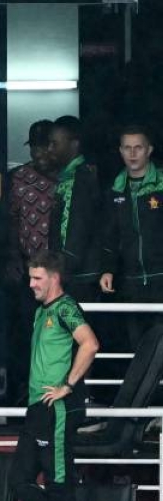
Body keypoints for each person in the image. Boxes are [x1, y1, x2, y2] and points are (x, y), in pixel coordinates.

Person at [13, 249, 99, 501]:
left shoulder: (66, 308)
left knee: (57, 479)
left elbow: (90, 343)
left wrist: (68, 384)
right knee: (18, 479)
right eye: (30, 277)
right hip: (36, 406)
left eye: (37, 278)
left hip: (57, 407)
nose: (31, 284)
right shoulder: (42, 311)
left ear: (54, 278)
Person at [3, 121, 58, 405]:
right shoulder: (19, 177)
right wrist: (12, 257)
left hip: (59, 270)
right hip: (28, 267)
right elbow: (11, 221)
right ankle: (24, 391)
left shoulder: (67, 177)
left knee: (58, 330)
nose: (39, 153)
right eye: (34, 147)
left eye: (44, 146)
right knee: (26, 331)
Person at [100, 125, 163, 347]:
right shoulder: (115, 189)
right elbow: (109, 235)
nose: (133, 153)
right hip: (130, 282)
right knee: (137, 345)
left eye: (138, 147)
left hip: (161, 277)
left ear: (149, 150)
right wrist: (107, 269)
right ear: (120, 151)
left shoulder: (161, 184)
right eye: (127, 148)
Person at [47, 116, 102, 302]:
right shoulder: (69, 176)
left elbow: (74, 226)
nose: (50, 149)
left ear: (74, 144)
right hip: (78, 273)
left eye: (55, 144)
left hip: (80, 277)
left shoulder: (80, 178)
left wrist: (63, 265)